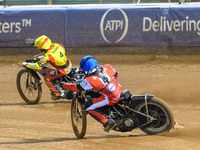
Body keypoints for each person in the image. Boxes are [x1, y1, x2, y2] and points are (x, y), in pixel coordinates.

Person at [62, 55, 122, 132]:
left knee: (88, 106)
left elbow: (77, 87)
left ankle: (108, 121)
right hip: (119, 89)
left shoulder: (90, 80)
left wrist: (64, 85)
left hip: (111, 98)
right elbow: (116, 75)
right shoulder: (107, 67)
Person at [21, 35, 72, 100]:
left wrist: (27, 64)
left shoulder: (48, 56)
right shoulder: (57, 45)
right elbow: (53, 54)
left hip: (63, 71)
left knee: (47, 78)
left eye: (38, 47)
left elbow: (38, 66)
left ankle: (58, 93)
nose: (38, 49)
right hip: (69, 64)